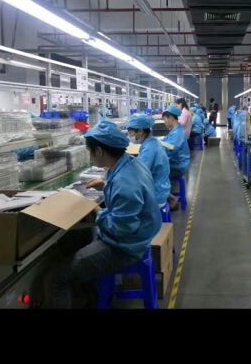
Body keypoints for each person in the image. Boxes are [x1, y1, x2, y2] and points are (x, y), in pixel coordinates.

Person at [50, 120, 161, 309]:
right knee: (69, 242)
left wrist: (94, 209)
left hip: (125, 248)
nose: (90, 156)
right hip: (135, 235)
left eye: (90, 151)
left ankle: (91, 292)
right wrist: (105, 185)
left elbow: (121, 228)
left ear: (99, 151)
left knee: (58, 278)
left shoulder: (125, 184)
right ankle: (92, 295)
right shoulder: (130, 163)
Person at [125, 113, 171, 207]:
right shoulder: (151, 142)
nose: (129, 135)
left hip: (155, 195)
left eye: (130, 132)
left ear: (140, 131)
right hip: (159, 188)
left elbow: (138, 174)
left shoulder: (149, 149)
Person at [162, 104, 190, 209]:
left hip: (178, 165)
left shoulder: (178, 133)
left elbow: (171, 150)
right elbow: (166, 142)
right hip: (174, 161)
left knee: (154, 174)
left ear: (171, 118)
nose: (164, 122)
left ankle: (170, 198)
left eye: (165, 119)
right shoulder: (174, 130)